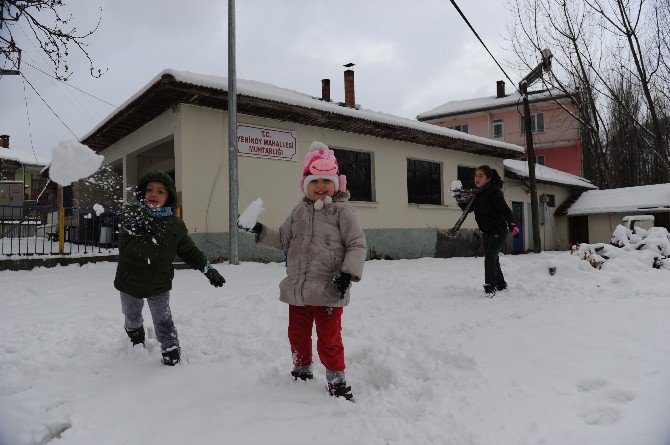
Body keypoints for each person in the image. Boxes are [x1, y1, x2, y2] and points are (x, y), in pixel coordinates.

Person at [240, 141, 366, 401]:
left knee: (329, 339)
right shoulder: (299, 210)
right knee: (297, 335)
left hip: (329, 289)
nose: (320, 187)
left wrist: (347, 273)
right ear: (305, 185)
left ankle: (336, 379)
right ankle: (301, 369)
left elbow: (357, 244)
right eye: (314, 182)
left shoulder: (342, 211)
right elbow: (283, 239)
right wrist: (259, 230)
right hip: (298, 290)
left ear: (336, 183)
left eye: (325, 181)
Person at [114, 171, 225, 365]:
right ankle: (135, 337)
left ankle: (170, 348)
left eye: (160, 191)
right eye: (149, 190)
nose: (153, 195)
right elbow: (124, 237)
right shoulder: (132, 213)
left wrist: (208, 269)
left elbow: (189, 250)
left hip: (159, 282)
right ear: (142, 193)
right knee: (131, 314)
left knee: (163, 318)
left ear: (169, 197)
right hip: (129, 279)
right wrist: (133, 227)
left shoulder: (174, 225)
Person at [456, 165, 519, 297]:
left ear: (488, 178)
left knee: (490, 257)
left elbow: (505, 210)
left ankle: (490, 288)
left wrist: (512, 225)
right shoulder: (478, 193)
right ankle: (501, 285)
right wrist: (458, 198)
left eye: (480, 176)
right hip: (487, 232)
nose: (477, 178)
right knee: (493, 258)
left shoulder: (494, 192)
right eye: (476, 176)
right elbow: (468, 208)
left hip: (499, 230)